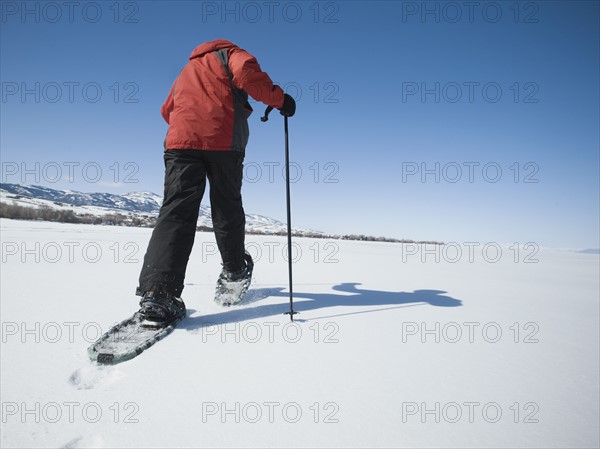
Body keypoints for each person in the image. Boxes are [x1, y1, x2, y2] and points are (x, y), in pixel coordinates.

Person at [134, 39, 296, 326]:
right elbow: (247, 77)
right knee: (226, 207)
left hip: (180, 144)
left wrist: (191, 121)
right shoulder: (234, 54)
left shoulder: (189, 67)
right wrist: (281, 100)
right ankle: (234, 272)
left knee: (175, 212)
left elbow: (166, 110)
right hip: (224, 142)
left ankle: (159, 294)